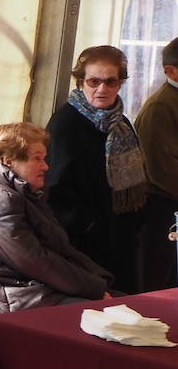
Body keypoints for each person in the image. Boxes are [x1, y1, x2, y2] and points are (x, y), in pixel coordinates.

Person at [0, 122, 112, 315]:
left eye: (44, 159)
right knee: (110, 315)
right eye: (37, 159)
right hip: (8, 296)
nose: (46, 166)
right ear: (8, 161)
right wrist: (94, 288)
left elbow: (56, 249)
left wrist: (97, 280)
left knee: (122, 302)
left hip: (28, 288)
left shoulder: (19, 191)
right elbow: (35, 261)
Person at [44, 44, 147, 293]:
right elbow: (54, 188)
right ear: (81, 82)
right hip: (84, 245)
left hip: (121, 238)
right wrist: (88, 225)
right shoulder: (65, 124)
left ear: (120, 83)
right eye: (94, 81)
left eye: (110, 82)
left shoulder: (121, 123)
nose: (102, 89)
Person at [133, 37, 178, 292]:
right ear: (169, 71)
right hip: (164, 208)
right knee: (160, 282)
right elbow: (161, 170)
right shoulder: (161, 106)